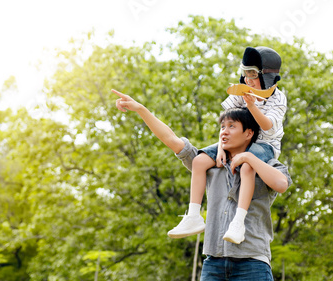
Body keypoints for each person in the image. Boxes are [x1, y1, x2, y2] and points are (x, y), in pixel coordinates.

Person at [112, 89, 291, 280]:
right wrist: (141, 109)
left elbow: (281, 184)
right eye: (222, 127)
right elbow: (170, 139)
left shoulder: (264, 163)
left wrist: (248, 157)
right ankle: (192, 217)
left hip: (253, 263)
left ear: (248, 133)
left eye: (232, 126)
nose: (224, 132)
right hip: (213, 263)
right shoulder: (209, 164)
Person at [167, 46, 287, 244]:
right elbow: (225, 120)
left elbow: (267, 126)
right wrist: (222, 147)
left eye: (252, 74)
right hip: (236, 140)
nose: (247, 79)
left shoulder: (278, 97)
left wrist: (251, 106)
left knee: (247, 166)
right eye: (244, 73)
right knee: (199, 161)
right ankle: (194, 216)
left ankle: (238, 222)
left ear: (267, 76)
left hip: (264, 144)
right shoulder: (241, 91)